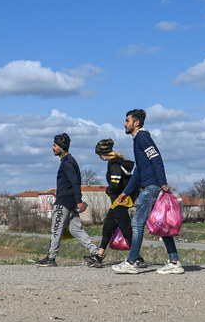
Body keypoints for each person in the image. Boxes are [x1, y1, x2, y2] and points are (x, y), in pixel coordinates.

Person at [112, 109, 184, 275]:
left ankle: (132, 262)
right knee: (161, 224)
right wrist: (127, 192)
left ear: (136, 123)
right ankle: (174, 262)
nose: (124, 124)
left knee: (137, 224)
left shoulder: (142, 137)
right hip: (149, 185)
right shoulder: (138, 139)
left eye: (127, 121)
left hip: (150, 186)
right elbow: (138, 170)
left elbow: (156, 158)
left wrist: (163, 182)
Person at [37, 133, 100, 267]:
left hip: (64, 203)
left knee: (56, 229)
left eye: (55, 145)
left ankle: (51, 257)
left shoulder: (67, 163)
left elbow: (75, 182)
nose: (53, 148)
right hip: (70, 203)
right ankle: (96, 253)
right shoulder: (70, 161)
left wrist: (79, 201)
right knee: (76, 230)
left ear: (61, 146)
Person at [85, 139, 147, 268]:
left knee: (125, 228)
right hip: (118, 200)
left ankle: (138, 258)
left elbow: (115, 183)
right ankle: (99, 256)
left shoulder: (113, 163)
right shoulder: (119, 161)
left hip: (120, 200)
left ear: (103, 154)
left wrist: (109, 190)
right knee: (108, 226)